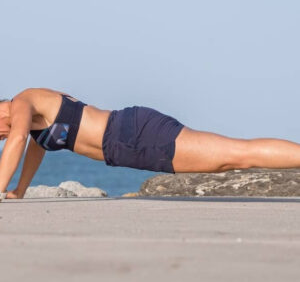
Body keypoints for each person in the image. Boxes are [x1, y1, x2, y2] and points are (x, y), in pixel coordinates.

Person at [0, 87, 300, 200]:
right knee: (232, 158)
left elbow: (15, 141)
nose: (1, 137)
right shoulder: (31, 123)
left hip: (133, 134)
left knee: (237, 155)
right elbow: (34, 148)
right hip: (129, 146)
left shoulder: (24, 101)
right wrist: (19, 191)